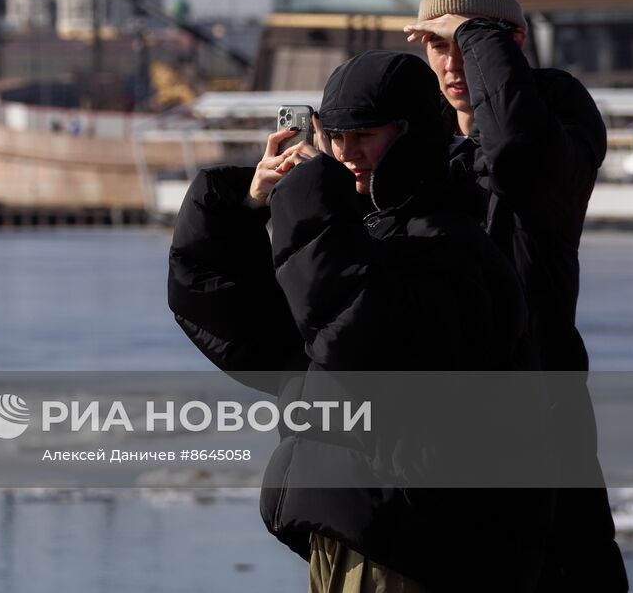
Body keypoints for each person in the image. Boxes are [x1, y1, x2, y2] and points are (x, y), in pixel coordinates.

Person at [169, 50, 549, 592]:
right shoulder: (361, 233)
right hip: (355, 525)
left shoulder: (450, 240)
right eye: (335, 138)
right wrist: (247, 208)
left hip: (414, 537)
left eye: (365, 136)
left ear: (411, 134)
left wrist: (308, 206)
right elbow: (248, 336)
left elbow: (363, 342)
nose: (347, 155)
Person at [403, 0, 627, 592]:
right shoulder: (422, 154)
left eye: (465, 43)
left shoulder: (561, 129)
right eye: (435, 45)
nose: (449, 65)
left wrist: (478, 31)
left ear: (510, 44)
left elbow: (515, 154)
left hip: (544, 423)